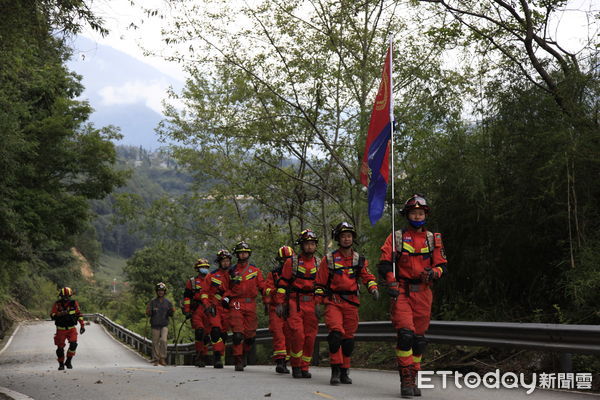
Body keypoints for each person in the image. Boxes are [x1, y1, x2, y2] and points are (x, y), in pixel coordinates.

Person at [378, 194, 447, 398]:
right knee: (406, 335)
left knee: (419, 340)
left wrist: (435, 272)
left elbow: (442, 265)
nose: (417, 216)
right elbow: (383, 264)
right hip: (402, 291)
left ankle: (415, 376)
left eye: (420, 213)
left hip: (424, 293)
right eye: (413, 213)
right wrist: (391, 281)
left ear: (425, 215)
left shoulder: (433, 239)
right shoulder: (396, 237)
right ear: (407, 215)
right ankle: (405, 379)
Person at [315, 222, 379, 385]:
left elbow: (367, 277)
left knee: (348, 339)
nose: (346, 239)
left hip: (351, 303)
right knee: (336, 334)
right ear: (338, 238)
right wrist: (317, 303)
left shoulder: (359, 259)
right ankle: (335, 370)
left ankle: (345, 371)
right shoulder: (328, 259)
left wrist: (373, 288)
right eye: (343, 236)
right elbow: (320, 284)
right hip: (333, 302)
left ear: (353, 238)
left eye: (349, 236)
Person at [275, 229, 320, 379]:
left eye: (312, 244)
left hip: (312, 303)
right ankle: (295, 365)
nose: (309, 247)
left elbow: (324, 285)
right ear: (302, 245)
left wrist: (321, 303)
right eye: (307, 244)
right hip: (295, 303)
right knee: (298, 335)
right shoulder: (292, 262)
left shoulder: (319, 263)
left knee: (310, 337)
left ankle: (305, 367)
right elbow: (282, 283)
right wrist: (280, 303)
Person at [224, 241, 266, 371]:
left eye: (245, 253)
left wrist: (268, 300)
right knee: (237, 334)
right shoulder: (231, 271)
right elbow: (225, 287)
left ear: (248, 254)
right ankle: (238, 359)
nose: (243, 255)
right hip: (236, 302)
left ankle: (245, 352)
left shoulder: (255, 271)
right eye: (240, 252)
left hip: (251, 303)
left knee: (250, 336)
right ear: (237, 254)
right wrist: (225, 297)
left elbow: (262, 287)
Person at [264, 245, 294, 374]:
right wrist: (277, 291)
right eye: (284, 260)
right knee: (278, 334)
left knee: (289, 335)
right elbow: (267, 290)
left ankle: (286, 361)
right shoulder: (274, 273)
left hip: (291, 307)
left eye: (289, 259)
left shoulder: (297, 272)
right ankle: (280, 362)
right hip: (276, 308)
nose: (286, 262)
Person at [201, 249, 233, 368]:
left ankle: (219, 352)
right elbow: (204, 292)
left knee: (224, 334)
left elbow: (236, 290)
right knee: (215, 330)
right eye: (223, 261)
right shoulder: (212, 276)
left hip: (228, 308)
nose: (225, 263)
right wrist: (207, 305)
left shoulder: (233, 275)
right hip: (214, 307)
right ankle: (217, 356)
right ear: (219, 262)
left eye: (227, 260)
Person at [183, 258, 210, 367]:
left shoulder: (212, 280)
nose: (204, 269)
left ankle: (205, 355)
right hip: (197, 310)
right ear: (197, 269)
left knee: (207, 335)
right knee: (199, 331)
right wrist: (187, 310)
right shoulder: (192, 282)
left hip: (209, 309)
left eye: (206, 267)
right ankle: (199, 355)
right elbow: (187, 297)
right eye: (202, 267)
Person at [50, 287, 85, 370]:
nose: (65, 298)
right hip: (60, 329)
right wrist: (60, 314)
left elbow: (79, 314)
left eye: (67, 296)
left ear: (70, 296)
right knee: (60, 349)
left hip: (71, 329)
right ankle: (61, 364)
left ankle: (68, 361)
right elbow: (52, 315)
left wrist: (82, 325)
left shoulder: (74, 303)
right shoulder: (57, 304)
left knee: (73, 345)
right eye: (64, 296)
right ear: (61, 296)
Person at [146, 282, 175, 366]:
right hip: (155, 325)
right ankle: (156, 359)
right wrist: (148, 311)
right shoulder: (152, 302)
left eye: (162, 290)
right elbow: (149, 313)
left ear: (164, 292)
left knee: (163, 340)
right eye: (159, 290)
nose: (160, 292)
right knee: (155, 342)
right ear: (156, 291)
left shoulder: (168, 302)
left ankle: (162, 358)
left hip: (164, 324)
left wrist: (172, 311)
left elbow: (171, 313)